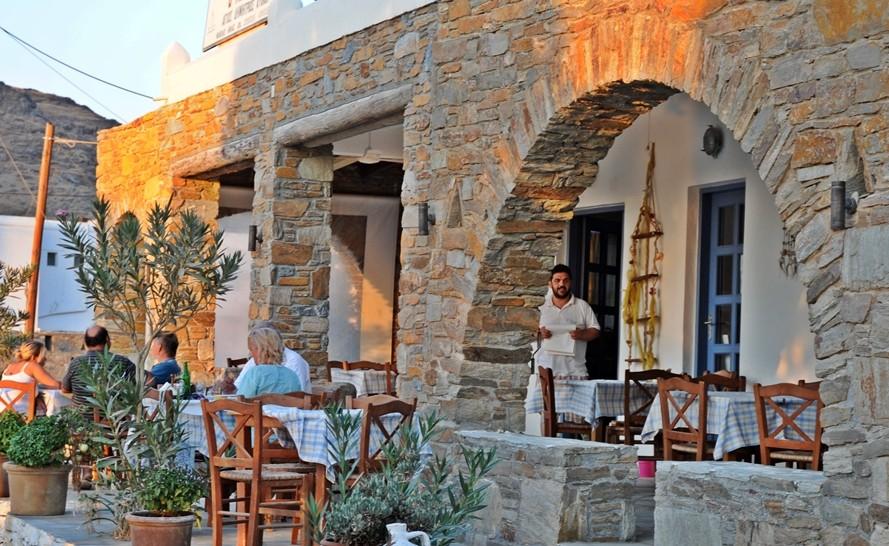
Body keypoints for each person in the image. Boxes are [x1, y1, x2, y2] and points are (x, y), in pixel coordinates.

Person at [537, 264, 600, 379]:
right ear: (550, 283)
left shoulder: (582, 306)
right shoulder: (540, 306)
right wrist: (539, 333)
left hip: (576, 372)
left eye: (565, 280)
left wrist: (582, 334)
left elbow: (595, 331)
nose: (561, 284)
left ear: (570, 282)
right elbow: (526, 333)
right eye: (557, 280)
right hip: (545, 372)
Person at [62, 325, 136, 407]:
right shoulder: (123, 361)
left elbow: (65, 389)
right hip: (114, 414)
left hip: (80, 414)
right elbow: (141, 384)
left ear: (85, 342)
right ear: (107, 339)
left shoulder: (76, 363)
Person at [234, 321, 312, 393]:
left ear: (263, 348)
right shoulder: (291, 374)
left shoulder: (294, 361)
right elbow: (237, 386)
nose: (250, 354)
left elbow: (241, 398)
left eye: (253, 349)